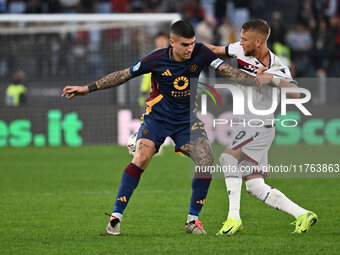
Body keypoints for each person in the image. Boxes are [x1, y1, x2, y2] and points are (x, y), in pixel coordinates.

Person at [61, 20, 260, 236]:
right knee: (142, 158)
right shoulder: (155, 59)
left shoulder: (201, 52)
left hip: (186, 120)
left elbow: (227, 70)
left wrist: (256, 80)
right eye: (185, 45)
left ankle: (193, 220)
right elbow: (123, 75)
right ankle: (116, 217)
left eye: (192, 43)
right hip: (157, 118)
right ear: (172, 43)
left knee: (206, 160)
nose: (190, 48)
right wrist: (87, 89)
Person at [207, 19, 318, 235]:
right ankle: (303, 214)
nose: (240, 42)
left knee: (227, 158)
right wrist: (191, 46)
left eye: (244, 39)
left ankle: (233, 218)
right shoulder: (240, 49)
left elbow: (296, 93)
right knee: (254, 185)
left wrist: (272, 81)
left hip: (258, 124)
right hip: (250, 124)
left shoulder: (277, 66)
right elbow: (215, 49)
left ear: (258, 41)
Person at [138, 31, 169, 107]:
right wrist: (144, 90)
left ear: (168, 40)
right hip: (155, 93)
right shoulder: (151, 56)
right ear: (155, 41)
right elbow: (147, 75)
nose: (161, 42)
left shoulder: (175, 54)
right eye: (159, 40)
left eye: (163, 39)